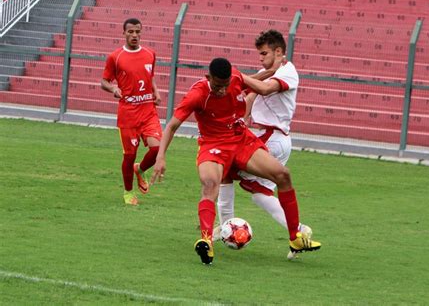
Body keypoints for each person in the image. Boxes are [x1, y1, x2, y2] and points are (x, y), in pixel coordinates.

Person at [151, 57, 321, 265]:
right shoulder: (197, 94)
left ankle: (295, 238)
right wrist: (160, 156)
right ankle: (206, 241)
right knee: (210, 184)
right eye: (217, 86)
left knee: (283, 175)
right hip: (213, 144)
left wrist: (272, 71)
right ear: (208, 77)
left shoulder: (236, 77)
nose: (222, 90)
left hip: (241, 139)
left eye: (225, 85)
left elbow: (251, 81)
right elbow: (171, 126)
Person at [215, 29, 312, 260]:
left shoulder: (288, 72)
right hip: (268, 136)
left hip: (271, 137)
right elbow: (249, 96)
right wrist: (239, 116)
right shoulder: (265, 72)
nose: (260, 58)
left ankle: (225, 226)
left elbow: (265, 89)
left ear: (279, 52)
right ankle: (299, 230)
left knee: (224, 165)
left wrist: (235, 75)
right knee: (259, 194)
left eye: (264, 53)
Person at [101, 18, 162, 206]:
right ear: (124, 33)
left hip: (148, 111)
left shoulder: (150, 54)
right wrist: (113, 89)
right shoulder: (115, 57)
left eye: (137, 32)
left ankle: (140, 169)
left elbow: (149, 77)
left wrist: (156, 92)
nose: (134, 35)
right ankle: (128, 193)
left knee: (157, 148)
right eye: (130, 32)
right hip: (128, 115)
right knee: (129, 156)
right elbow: (104, 81)